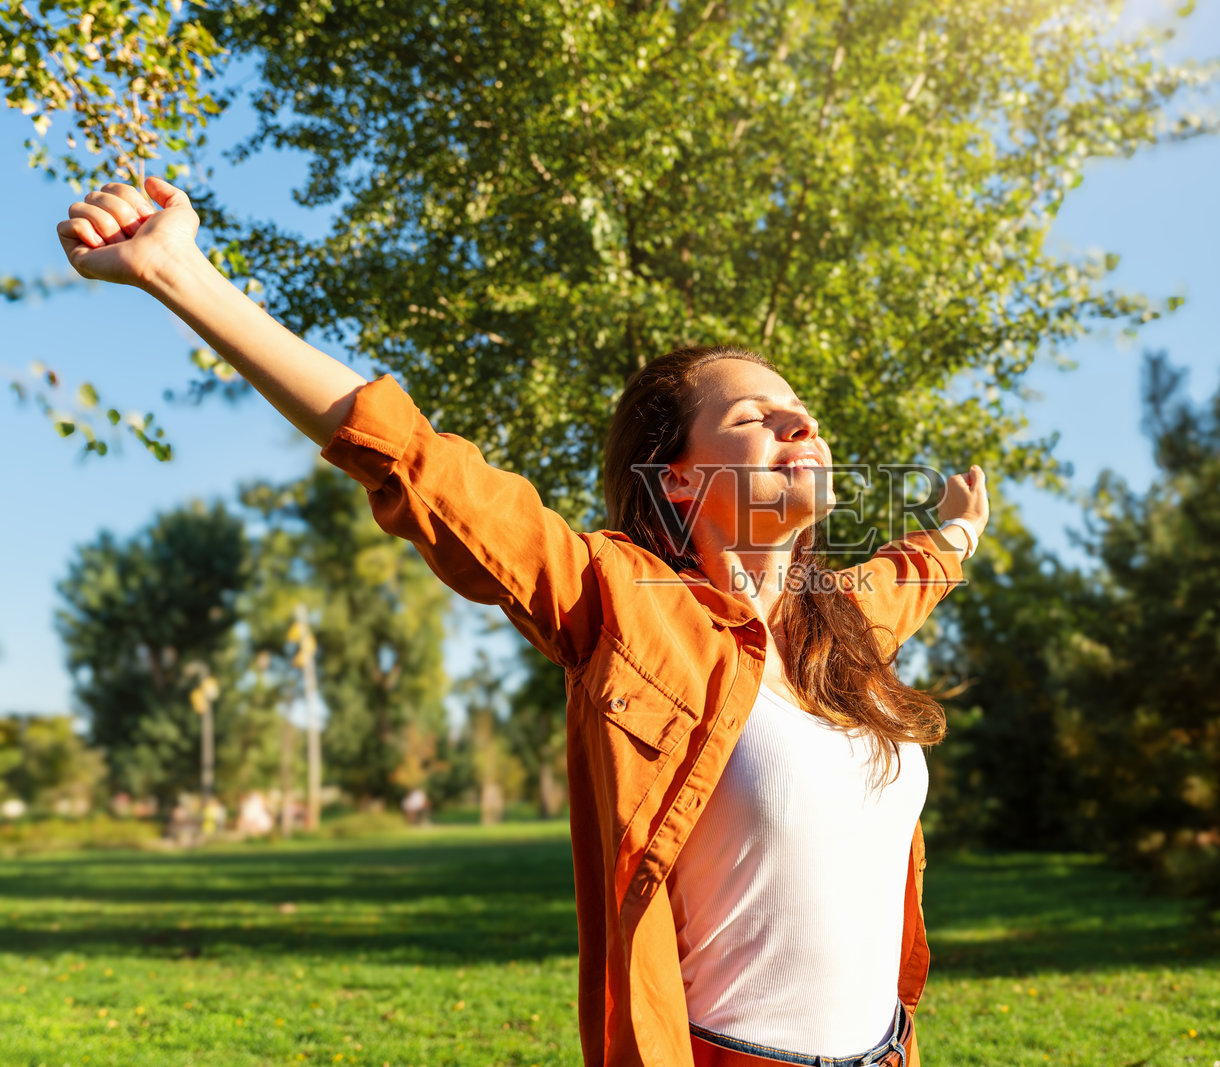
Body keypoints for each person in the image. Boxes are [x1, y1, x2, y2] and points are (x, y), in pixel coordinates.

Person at [56, 177, 989, 1067]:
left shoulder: (839, 629)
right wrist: (178, 271)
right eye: (756, 416)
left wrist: (956, 530)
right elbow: (415, 461)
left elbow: (908, 575)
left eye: (804, 414)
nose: (801, 426)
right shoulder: (624, 604)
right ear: (678, 479)